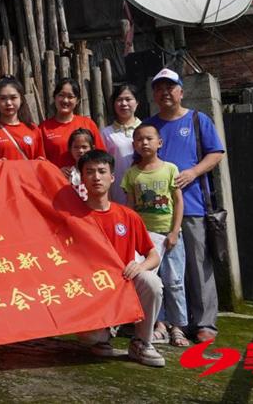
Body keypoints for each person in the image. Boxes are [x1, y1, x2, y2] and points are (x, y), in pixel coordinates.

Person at [146, 68, 225, 344]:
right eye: (159, 88)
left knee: (198, 265)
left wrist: (193, 172)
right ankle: (169, 321)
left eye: (170, 87)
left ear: (181, 91)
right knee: (165, 270)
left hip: (193, 205)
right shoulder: (150, 126)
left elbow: (216, 153)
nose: (164, 93)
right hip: (157, 212)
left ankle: (204, 323)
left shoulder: (197, 120)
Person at [74, 149, 165, 368]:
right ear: (82, 178)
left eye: (102, 171)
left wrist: (140, 266)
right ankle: (104, 334)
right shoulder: (72, 217)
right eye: (90, 172)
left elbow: (153, 255)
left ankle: (142, 342)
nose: (96, 177)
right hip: (91, 291)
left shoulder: (128, 216)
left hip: (123, 284)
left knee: (152, 282)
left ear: (112, 177)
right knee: (90, 337)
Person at [122, 123, 188, 348]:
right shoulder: (132, 173)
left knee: (175, 281)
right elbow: (130, 208)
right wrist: (132, 237)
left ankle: (178, 326)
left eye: (149, 138)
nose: (144, 143)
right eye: (139, 139)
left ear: (159, 143)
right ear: (134, 145)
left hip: (169, 235)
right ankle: (158, 325)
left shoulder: (170, 169)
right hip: (145, 239)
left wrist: (175, 231)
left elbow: (178, 202)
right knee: (153, 281)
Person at [40, 78, 105, 170]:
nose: (65, 100)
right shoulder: (43, 128)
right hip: (55, 178)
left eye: (70, 97)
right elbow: (40, 161)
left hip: (86, 178)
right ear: (55, 97)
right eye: (61, 95)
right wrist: (57, 171)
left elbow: (101, 156)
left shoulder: (88, 124)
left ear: (77, 100)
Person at [0, 77, 46, 160]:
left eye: (13, 98)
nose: (8, 103)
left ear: (21, 99)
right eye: (3, 98)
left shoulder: (33, 129)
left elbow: (41, 161)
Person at [101, 84, 142, 204]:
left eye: (128, 99)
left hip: (145, 188)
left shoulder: (146, 129)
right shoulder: (106, 133)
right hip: (118, 191)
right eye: (119, 100)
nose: (124, 103)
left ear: (137, 102)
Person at [64, 128, 94, 200]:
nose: (80, 150)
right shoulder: (68, 173)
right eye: (76, 147)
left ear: (92, 148)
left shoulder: (99, 171)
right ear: (70, 149)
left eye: (84, 147)